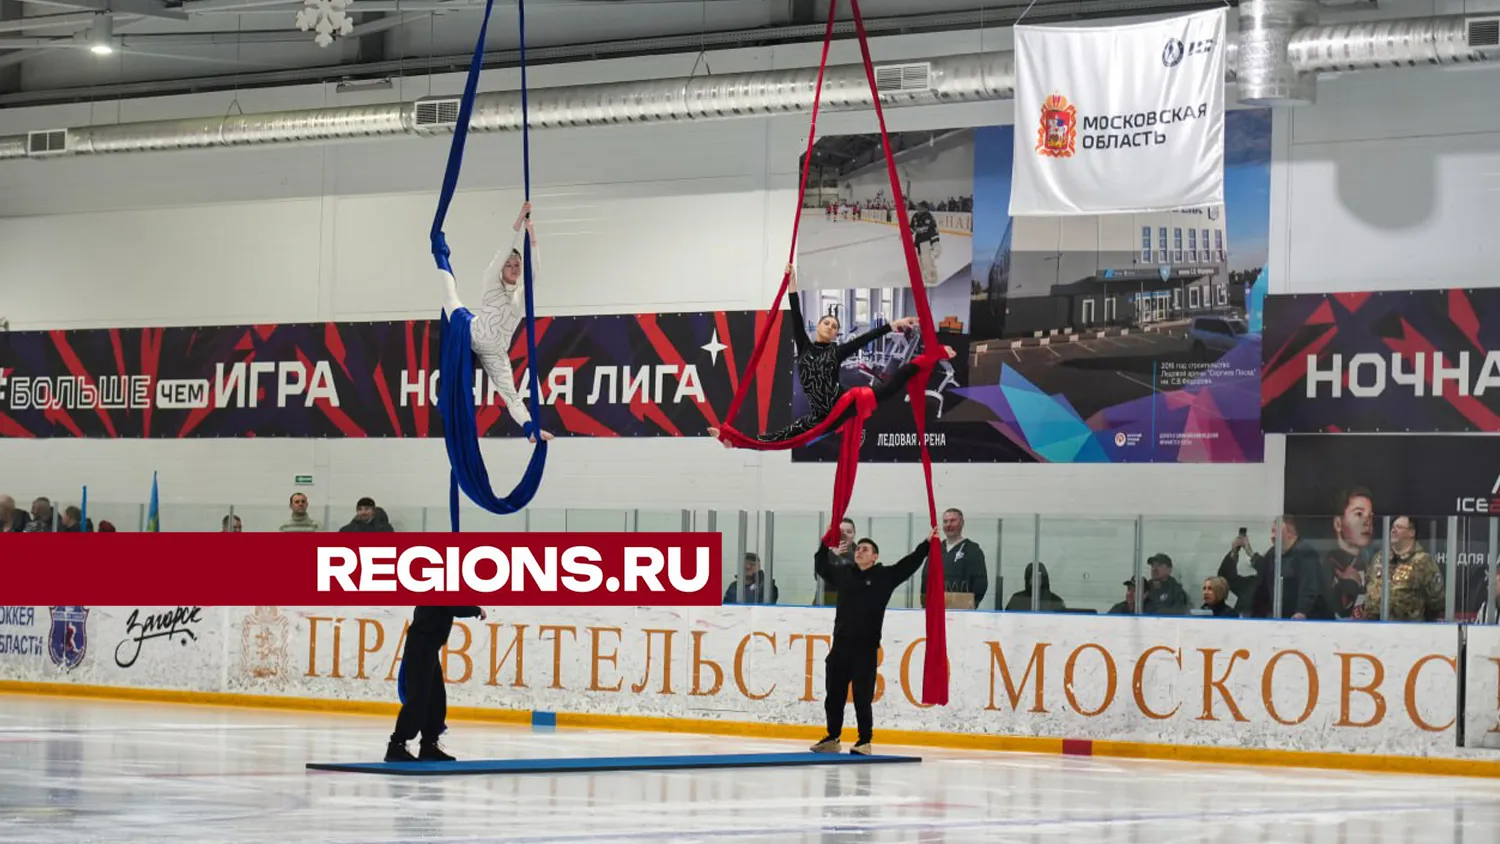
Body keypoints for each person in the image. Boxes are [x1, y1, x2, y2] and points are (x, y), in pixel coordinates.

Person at [708, 264, 953, 445]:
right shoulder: (804, 346)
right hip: (820, 416)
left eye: (835, 326)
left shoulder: (837, 351)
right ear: (818, 326)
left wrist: (894, 324)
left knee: (893, 384)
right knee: (779, 438)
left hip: (842, 405)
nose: (830, 327)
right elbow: (796, 314)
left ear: (836, 334)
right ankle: (731, 440)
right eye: (827, 323)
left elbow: (865, 338)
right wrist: (791, 282)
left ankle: (934, 355)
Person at [809, 528, 936, 756]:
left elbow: (909, 564)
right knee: (834, 696)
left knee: (862, 697)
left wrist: (926, 544)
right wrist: (823, 545)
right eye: (858, 548)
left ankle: (864, 740)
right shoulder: (845, 573)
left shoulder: (884, 577)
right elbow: (821, 567)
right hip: (840, 647)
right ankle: (832, 738)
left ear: (875, 556)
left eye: (865, 549)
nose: (859, 551)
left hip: (865, 649)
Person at [439, 200, 553, 443]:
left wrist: (533, 235)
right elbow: (503, 251)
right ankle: (439, 252)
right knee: (449, 297)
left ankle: (531, 430)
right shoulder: (490, 281)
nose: (513, 267)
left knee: (511, 395)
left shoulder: (521, 298)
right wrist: (519, 219)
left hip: (495, 352)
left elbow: (536, 273)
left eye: (517, 264)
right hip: (470, 331)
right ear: (500, 269)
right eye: (508, 264)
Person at [386, 605, 486, 762]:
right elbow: (454, 607)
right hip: (419, 649)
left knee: (436, 700)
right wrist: (476, 610)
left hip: (429, 650)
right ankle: (396, 745)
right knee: (418, 700)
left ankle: (429, 745)